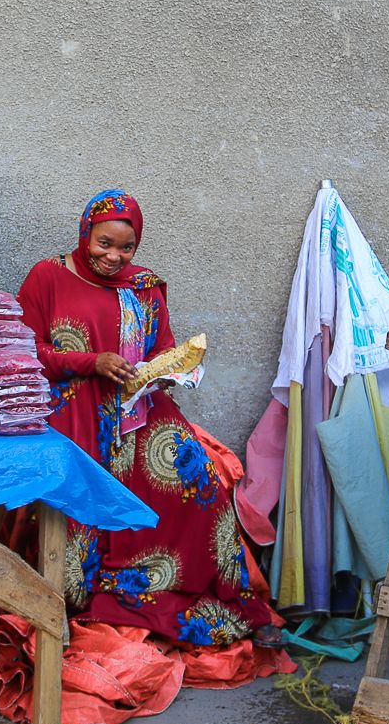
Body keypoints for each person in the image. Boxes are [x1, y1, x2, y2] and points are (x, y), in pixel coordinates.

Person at [17, 190, 279, 649]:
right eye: (104, 243)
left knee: (199, 483)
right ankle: (83, 595)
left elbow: (163, 348)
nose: (113, 257)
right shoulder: (47, 277)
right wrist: (91, 362)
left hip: (138, 410)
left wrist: (174, 370)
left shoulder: (146, 286)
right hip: (72, 411)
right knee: (80, 506)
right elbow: (25, 350)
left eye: (126, 248)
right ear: (85, 233)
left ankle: (181, 590)